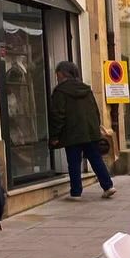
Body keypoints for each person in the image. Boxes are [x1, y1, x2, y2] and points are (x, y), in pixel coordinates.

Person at [48, 61, 116, 200]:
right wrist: (96, 127)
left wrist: (54, 136)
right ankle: (108, 186)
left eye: (57, 74)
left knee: (74, 162)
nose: (57, 77)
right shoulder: (86, 89)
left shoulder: (60, 92)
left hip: (72, 133)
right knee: (96, 158)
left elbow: (58, 115)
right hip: (89, 132)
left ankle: (76, 193)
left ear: (62, 74)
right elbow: (95, 111)